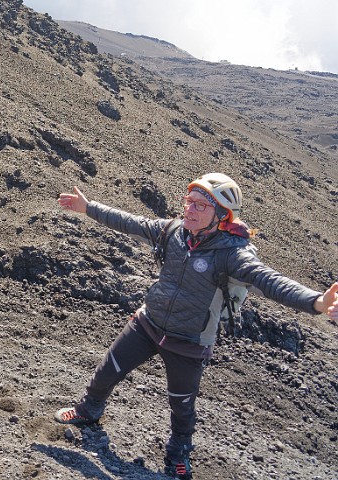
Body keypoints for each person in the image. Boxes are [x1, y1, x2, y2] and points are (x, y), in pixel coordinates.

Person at [53, 173, 338, 479]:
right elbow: (131, 222)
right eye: (189, 201)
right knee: (106, 373)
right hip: (148, 324)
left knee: (182, 409)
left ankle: (178, 452)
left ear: (222, 216)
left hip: (189, 343)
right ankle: (88, 411)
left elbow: (269, 281)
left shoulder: (233, 254)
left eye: (201, 205)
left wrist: (317, 302)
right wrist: (89, 207)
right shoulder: (174, 231)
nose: (190, 208)